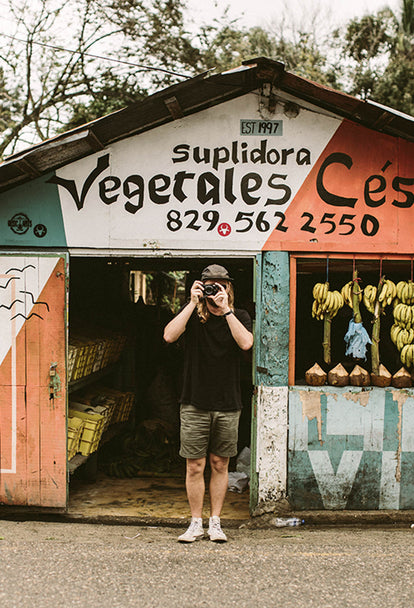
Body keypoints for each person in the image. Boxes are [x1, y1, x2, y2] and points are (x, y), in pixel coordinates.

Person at [163, 264, 253, 543]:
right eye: (209, 285)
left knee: (219, 464)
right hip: (194, 401)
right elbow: (168, 335)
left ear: (229, 288)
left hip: (228, 403)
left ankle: (216, 522)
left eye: (220, 285)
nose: (215, 290)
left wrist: (225, 310)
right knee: (194, 466)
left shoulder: (238, 316)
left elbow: (246, 343)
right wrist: (192, 303)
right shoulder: (193, 317)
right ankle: (195, 523)